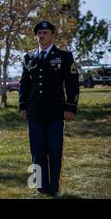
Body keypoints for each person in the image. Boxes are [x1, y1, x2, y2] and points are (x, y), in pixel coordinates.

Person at [19, 20, 79, 197]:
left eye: (45, 33)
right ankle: (40, 186)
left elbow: (72, 84)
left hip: (55, 112)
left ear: (52, 35)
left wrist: (71, 107)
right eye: (39, 33)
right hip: (35, 112)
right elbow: (24, 84)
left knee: (53, 150)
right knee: (37, 150)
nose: (41, 36)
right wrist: (23, 106)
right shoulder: (28, 57)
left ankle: (53, 187)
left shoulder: (64, 56)